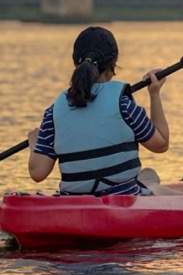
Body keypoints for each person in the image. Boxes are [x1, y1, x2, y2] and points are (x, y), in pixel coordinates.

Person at [28, 26, 170, 196]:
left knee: (149, 181)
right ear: (113, 65)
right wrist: (154, 94)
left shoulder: (53, 112)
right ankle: (149, 184)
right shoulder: (123, 105)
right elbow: (161, 144)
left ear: (76, 63)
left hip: (75, 204)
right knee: (165, 191)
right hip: (124, 199)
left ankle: (148, 182)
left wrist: (35, 145)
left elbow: (37, 173)